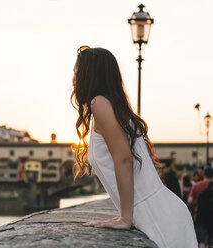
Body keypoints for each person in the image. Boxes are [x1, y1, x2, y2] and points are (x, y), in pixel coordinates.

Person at [70, 46, 197, 248]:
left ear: (90, 74)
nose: (74, 77)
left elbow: (124, 160)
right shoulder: (113, 107)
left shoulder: (99, 103)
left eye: (77, 71)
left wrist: (125, 218)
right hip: (162, 212)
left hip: (156, 216)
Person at [188, 167, 213, 247]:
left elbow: (190, 201)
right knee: (211, 242)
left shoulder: (197, 186)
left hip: (200, 217)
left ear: (204, 175)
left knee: (201, 241)